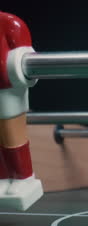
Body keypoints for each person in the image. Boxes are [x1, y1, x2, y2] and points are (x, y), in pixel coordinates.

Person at [0, 11, 42, 211]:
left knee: (12, 137)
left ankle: (23, 176)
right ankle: (2, 177)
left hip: (7, 91)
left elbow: (25, 56)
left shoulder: (11, 23)